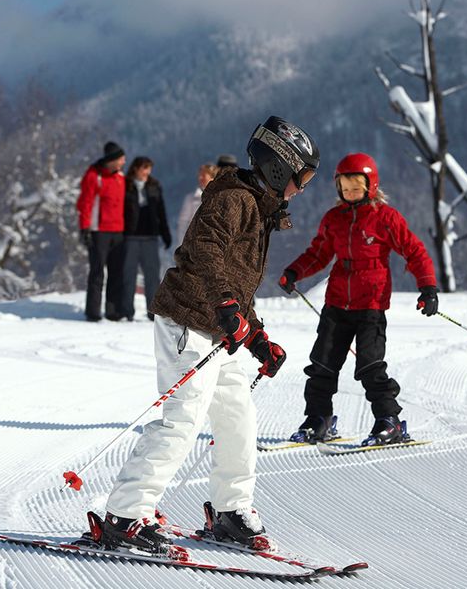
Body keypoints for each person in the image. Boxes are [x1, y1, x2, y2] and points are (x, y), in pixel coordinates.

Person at [101, 116, 320, 555]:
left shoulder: (257, 208)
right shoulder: (234, 201)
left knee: (238, 418)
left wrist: (258, 339)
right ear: (280, 167)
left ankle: (231, 511)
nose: (302, 188)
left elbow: (237, 287)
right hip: (187, 321)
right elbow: (205, 253)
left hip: (219, 331)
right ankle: (124, 515)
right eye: (302, 177)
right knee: (183, 419)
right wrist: (224, 307)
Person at [278, 152, 439, 446]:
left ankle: (389, 422)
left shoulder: (385, 218)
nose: (350, 192)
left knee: (370, 366)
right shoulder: (333, 219)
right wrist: (294, 272)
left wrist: (427, 288)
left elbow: (414, 251)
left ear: (371, 185)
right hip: (337, 303)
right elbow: (318, 254)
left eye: (356, 187)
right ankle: (319, 419)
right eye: (345, 187)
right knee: (322, 364)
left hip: (371, 306)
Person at [76, 141, 127, 322]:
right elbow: (85, 203)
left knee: (116, 271)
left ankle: (113, 311)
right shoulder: (94, 176)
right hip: (99, 231)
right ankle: (93, 312)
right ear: (112, 160)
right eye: (121, 159)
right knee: (97, 272)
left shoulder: (120, 177)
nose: (123, 162)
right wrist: (85, 228)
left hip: (118, 230)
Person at [121, 156, 172, 321]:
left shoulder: (154, 186)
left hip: (150, 236)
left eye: (149, 168)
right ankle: (127, 311)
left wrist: (165, 234)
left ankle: (153, 312)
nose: (147, 172)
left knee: (152, 276)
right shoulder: (125, 185)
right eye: (144, 168)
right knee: (128, 275)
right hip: (131, 237)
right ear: (136, 168)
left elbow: (161, 211)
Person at [175, 163, 217, 248]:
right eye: (199, 175)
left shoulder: (221, 197)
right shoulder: (191, 198)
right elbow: (183, 224)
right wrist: (182, 246)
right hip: (195, 246)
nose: (200, 178)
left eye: (203, 175)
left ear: (212, 177)